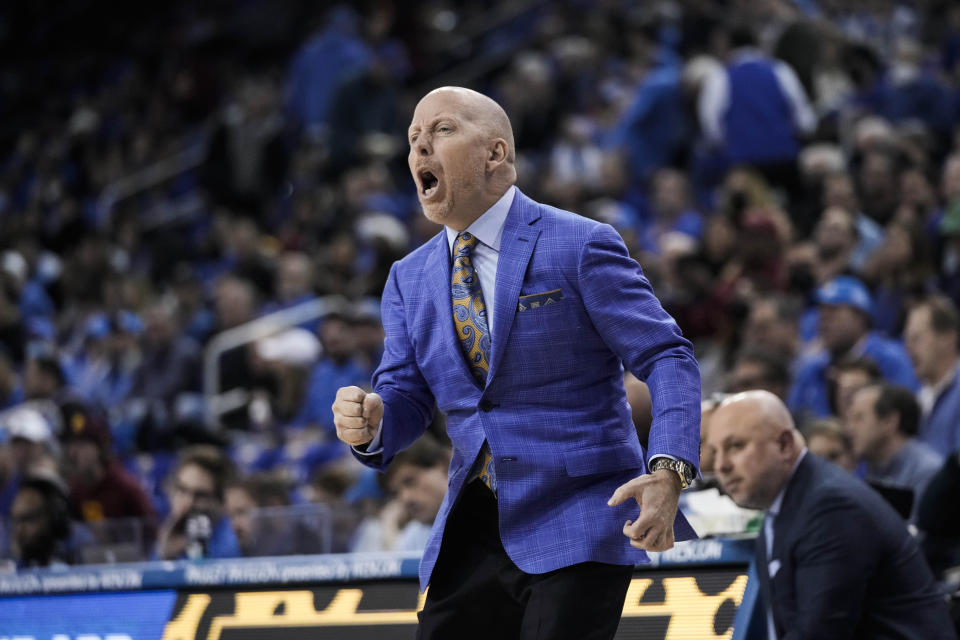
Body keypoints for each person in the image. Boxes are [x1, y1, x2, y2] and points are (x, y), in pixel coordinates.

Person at [332, 86, 700, 639]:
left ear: (495, 153)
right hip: (472, 521)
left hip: (579, 511)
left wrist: (668, 470)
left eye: (441, 130)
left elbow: (666, 355)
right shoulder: (407, 278)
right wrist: (375, 420)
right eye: (413, 138)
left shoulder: (580, 244)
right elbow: (405, 393)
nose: (419, 148)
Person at [705, 390, 955, 640]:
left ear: (784, 445)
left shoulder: (830, 508)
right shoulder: (788, 503)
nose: (721, 466)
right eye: (715, 452)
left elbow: (819, 634)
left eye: (736, 446)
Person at [789, 275, 918, 418]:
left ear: (860, 316)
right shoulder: (811, 367)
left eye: (834, 310)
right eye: (822, 310)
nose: (824, 319)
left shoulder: (890, 359)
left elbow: (906, 415)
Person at [846, 383, 943, 520]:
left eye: (859, 418)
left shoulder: (928, 472)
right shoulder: (872, 467)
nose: (849, 429)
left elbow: (918, 536)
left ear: (889, 422)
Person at [155, 445, 240, 560]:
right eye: (182, 490)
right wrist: (167, 557)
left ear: (221, 502)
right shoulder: (170, 534)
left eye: (200, 495)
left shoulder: (234, 540)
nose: (188, 503)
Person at [904, 295, 960, 457]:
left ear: (948, 338)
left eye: (917, 338)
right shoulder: (919, 395)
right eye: (906, 339)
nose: (908, 348)